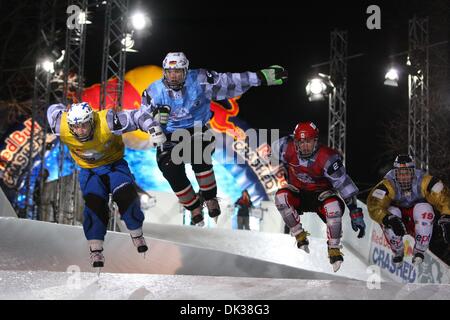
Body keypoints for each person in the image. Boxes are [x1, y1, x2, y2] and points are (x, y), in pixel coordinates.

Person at [141, 52, 287, 227]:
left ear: (186, 71)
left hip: (196, 130)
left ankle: (210, 198)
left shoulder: (201, 81)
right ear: (164, 71)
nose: (173, 76)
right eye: (170, 71)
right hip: (169, 136)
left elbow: (229, 82)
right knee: (170, 169)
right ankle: (194, 207)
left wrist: (260, 77)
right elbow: (141, 116)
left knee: (198, 154)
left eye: (178, 71)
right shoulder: (153, 91)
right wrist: (153, 124)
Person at [47, 102, 156, 268]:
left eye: (84, 125)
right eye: (75, 127)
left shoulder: (108, 121)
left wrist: (152, 128)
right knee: (94, 204)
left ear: (92, 121)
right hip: (89, 171)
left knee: (126, 194)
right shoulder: (59, 124)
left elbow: (136, 116)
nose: (80, 131)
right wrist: (62, 106)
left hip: (114, 165)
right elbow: (52, 109)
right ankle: (95, 247)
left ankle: (136, 233)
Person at [272, 121, 366, 272]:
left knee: (333, 208)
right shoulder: (285, 146)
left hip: (320, 196)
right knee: (280, 197)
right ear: (295, 141)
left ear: (316, 141)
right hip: (298, 193)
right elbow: (272, 153)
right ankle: (298, 234)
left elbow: (344, 185)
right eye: (300, 142)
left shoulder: (327, 158)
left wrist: (355, 212)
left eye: (308, 141)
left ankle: (334, 249)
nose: (304, 146)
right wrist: (280, 168)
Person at [367, 154, 450, 267]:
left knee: (425, 209)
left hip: (417, 216)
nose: (403, 177)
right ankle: (398, 250)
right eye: (400, 173)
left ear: (413, 172)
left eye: (406, 173)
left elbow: (444, 197)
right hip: (398, 219)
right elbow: (374, 204)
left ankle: (420, 250)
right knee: (392, 212)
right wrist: (386, 218)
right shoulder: (387, 185)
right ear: (395, 173)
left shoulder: (424, 181)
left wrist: (447, 217)